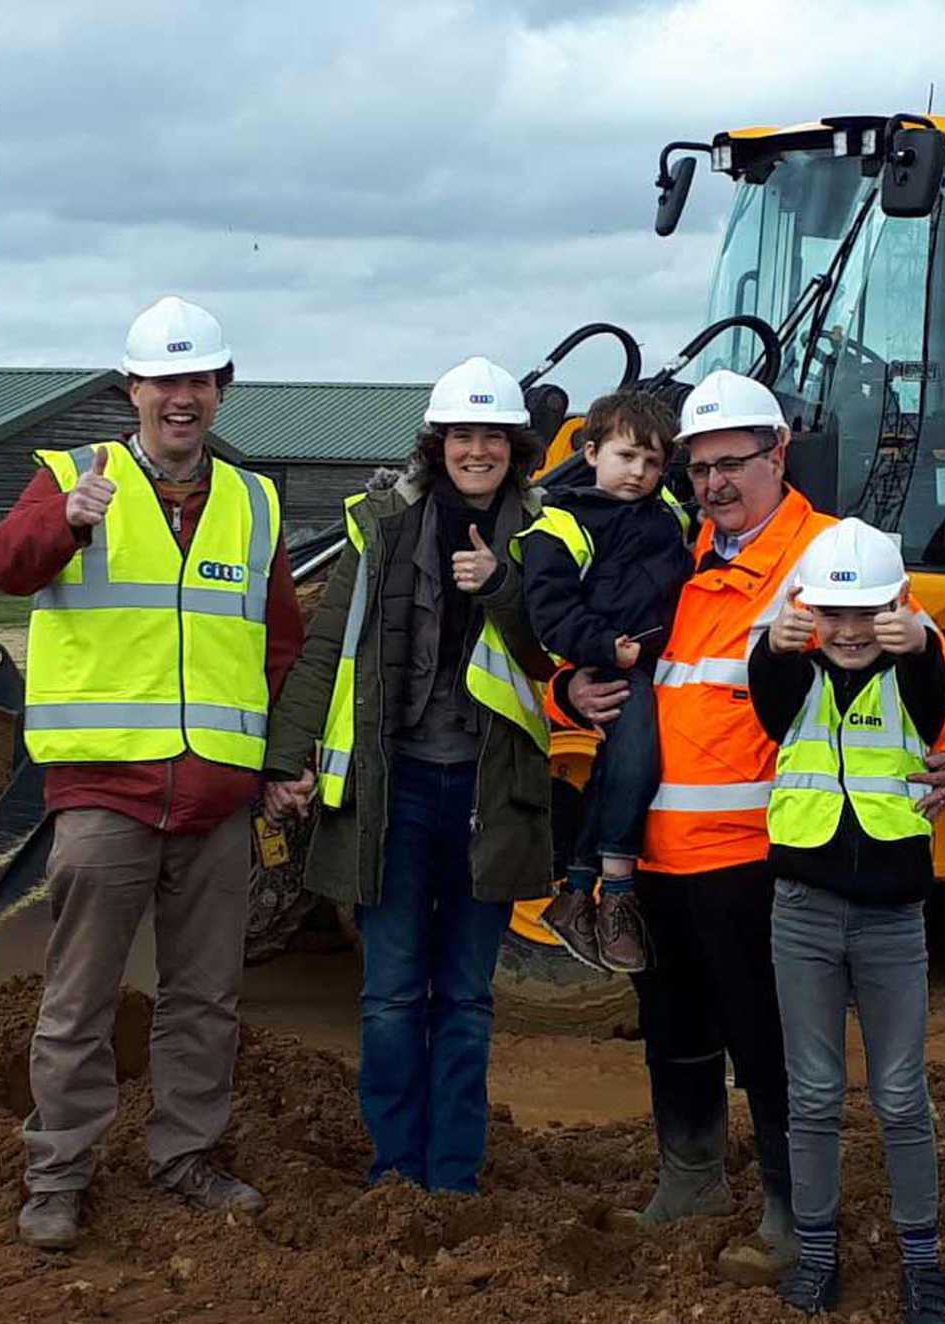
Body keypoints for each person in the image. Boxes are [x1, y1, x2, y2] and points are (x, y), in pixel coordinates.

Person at [560, 371, 945, 1283]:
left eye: (731, 463)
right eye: (697, 467)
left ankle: (790, 1214)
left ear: (778, 453)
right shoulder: (674, 551)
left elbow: (930, 672)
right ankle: (691, 1180)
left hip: (759, 855)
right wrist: (570, 687)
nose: (712, 483)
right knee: (673, 1028)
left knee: (769, 1043)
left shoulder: (831, 555)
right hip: (658, 856)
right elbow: (621, 660)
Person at [0, 296, 302, 1250]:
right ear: (133, 390)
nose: (182, 397)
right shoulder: (72, 477)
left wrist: (280, 766)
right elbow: (3, 567)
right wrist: (68, 526)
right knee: (79, 998)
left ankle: (185, 1156)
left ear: (221, 391)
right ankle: (59, 1174)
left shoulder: (254, 502)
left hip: (216, 798)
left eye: (199, 380)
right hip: (104, 796)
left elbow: (279, 646)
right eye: (165, 380)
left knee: (206, 997)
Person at [261, 355, 557, 1193]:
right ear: (437, 444)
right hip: (392, 792)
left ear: (515, 447)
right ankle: (395, 1167)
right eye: (462, 435)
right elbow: (327, 647)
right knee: (391, 996)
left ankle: (454, 1175)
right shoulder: (379, 525)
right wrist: (286, 758)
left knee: (464, 1000)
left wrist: (500, 586)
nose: (476, 450)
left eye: (492, 437)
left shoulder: (548, 533)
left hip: (489, 795)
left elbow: (554, 652)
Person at [749, 518, 945, 1322]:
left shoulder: (916, 666)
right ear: (808, 612)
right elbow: (772, 708)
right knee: (812, 1093)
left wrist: (919, 644)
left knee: (899, 1093)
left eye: (866, 615)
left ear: (898, 608)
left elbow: (932, 710)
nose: (849, 632)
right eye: (833, 616)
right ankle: (818, 1256)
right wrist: (773, 646)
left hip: (892, 917)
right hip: (804, 912)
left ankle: (922, 1262)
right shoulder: (793, 667)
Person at [515, 390, 690, 973]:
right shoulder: (563, 524)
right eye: (626, 456)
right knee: (637, 761)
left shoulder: (670, 515)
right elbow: (550, 609)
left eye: (652, 462)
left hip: (659, 663)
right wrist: (603, 648)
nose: (637, 472)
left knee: (624, 767)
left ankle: (574, 895)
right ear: (590, 452)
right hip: (615, 663)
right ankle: (614, 893)